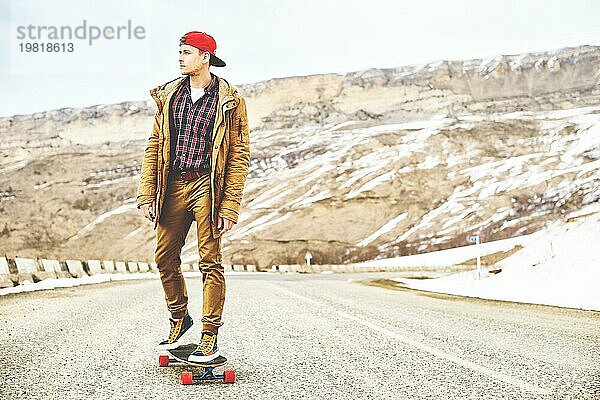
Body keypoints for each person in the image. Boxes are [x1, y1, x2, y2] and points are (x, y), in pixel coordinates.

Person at [136, 31, 250, 363]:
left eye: (187, 52)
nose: (180, 58)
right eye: (180, 52)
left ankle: (209, 336)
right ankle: (179, 317)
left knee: (210, 261)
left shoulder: (230, 100)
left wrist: (230, 204)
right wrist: (146, 193)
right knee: (164, 257)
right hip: (172, 185)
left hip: (207, 187)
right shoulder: (170, 95)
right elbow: (154, 145)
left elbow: (239, 155)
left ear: (205, 57)